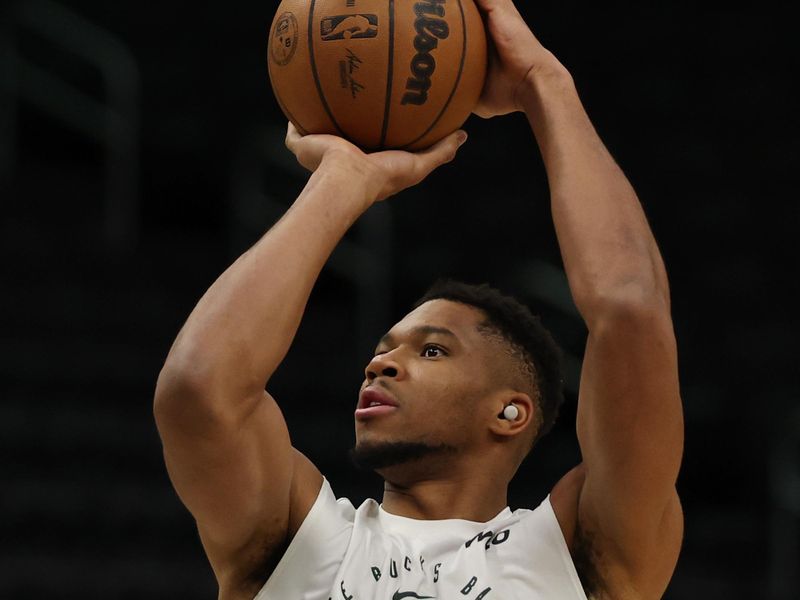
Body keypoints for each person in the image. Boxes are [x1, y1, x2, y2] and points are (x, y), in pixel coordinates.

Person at [153, 0, 684, 598]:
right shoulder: (304, 544)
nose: (380, 364)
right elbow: (197, 389)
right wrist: (343, 182)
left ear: (509, 412)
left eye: (432, 351)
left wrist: (545, 85)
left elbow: (631, 313)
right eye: (383, 349)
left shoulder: (580, 555)